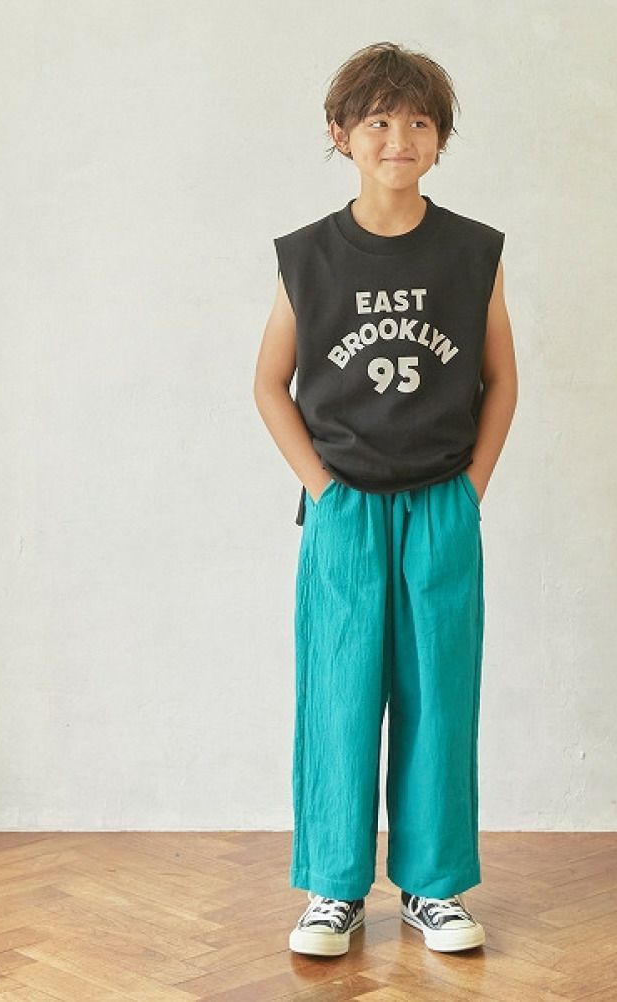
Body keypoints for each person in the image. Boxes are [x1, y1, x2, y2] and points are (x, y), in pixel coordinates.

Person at [253, 41, 517, 957]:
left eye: (417, 121)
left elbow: (501, 380)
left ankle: (433, 887)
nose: (398, 137)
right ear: (341, 134)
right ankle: (332, 888)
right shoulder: (308, 256)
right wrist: (322, 491)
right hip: (346, 510)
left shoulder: (473, 252)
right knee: (338, 694)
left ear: (440, 139)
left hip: (441, 503)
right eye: (377, 120)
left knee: (439, 695)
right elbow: (269, 384)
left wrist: (471, 491)